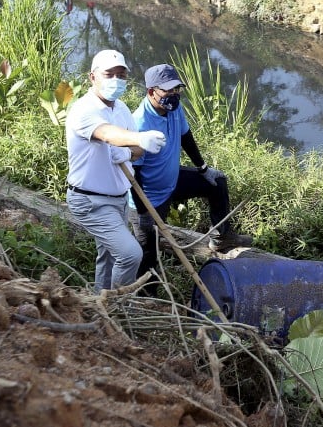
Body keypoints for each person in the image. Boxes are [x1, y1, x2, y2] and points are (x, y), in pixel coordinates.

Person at [131, 63, 251, 290]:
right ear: (151, 92)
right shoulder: (139, 123)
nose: (174, 95)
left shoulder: (174, 108)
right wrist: (143, 212)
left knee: (217, 183)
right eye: (168, 90)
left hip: (172, 181)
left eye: (177, 89)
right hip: (149, 197)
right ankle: (147, 298)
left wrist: (204, 169)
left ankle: (221, 238)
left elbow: (186, 137)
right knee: (149, 254)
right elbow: (133, 175)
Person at [65, 49, 168, 293]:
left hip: (119, 198)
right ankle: (118, 306)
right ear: (92, 77)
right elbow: (107, 133)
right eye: (109, 74)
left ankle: (100, 300)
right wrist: (136, 140)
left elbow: (135, 150)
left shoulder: (121, 108)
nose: (116, 81)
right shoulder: (84, 110)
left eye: (121, 75)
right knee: (131, 254)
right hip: (90, 200)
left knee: (110, 256)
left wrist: (125, 149)